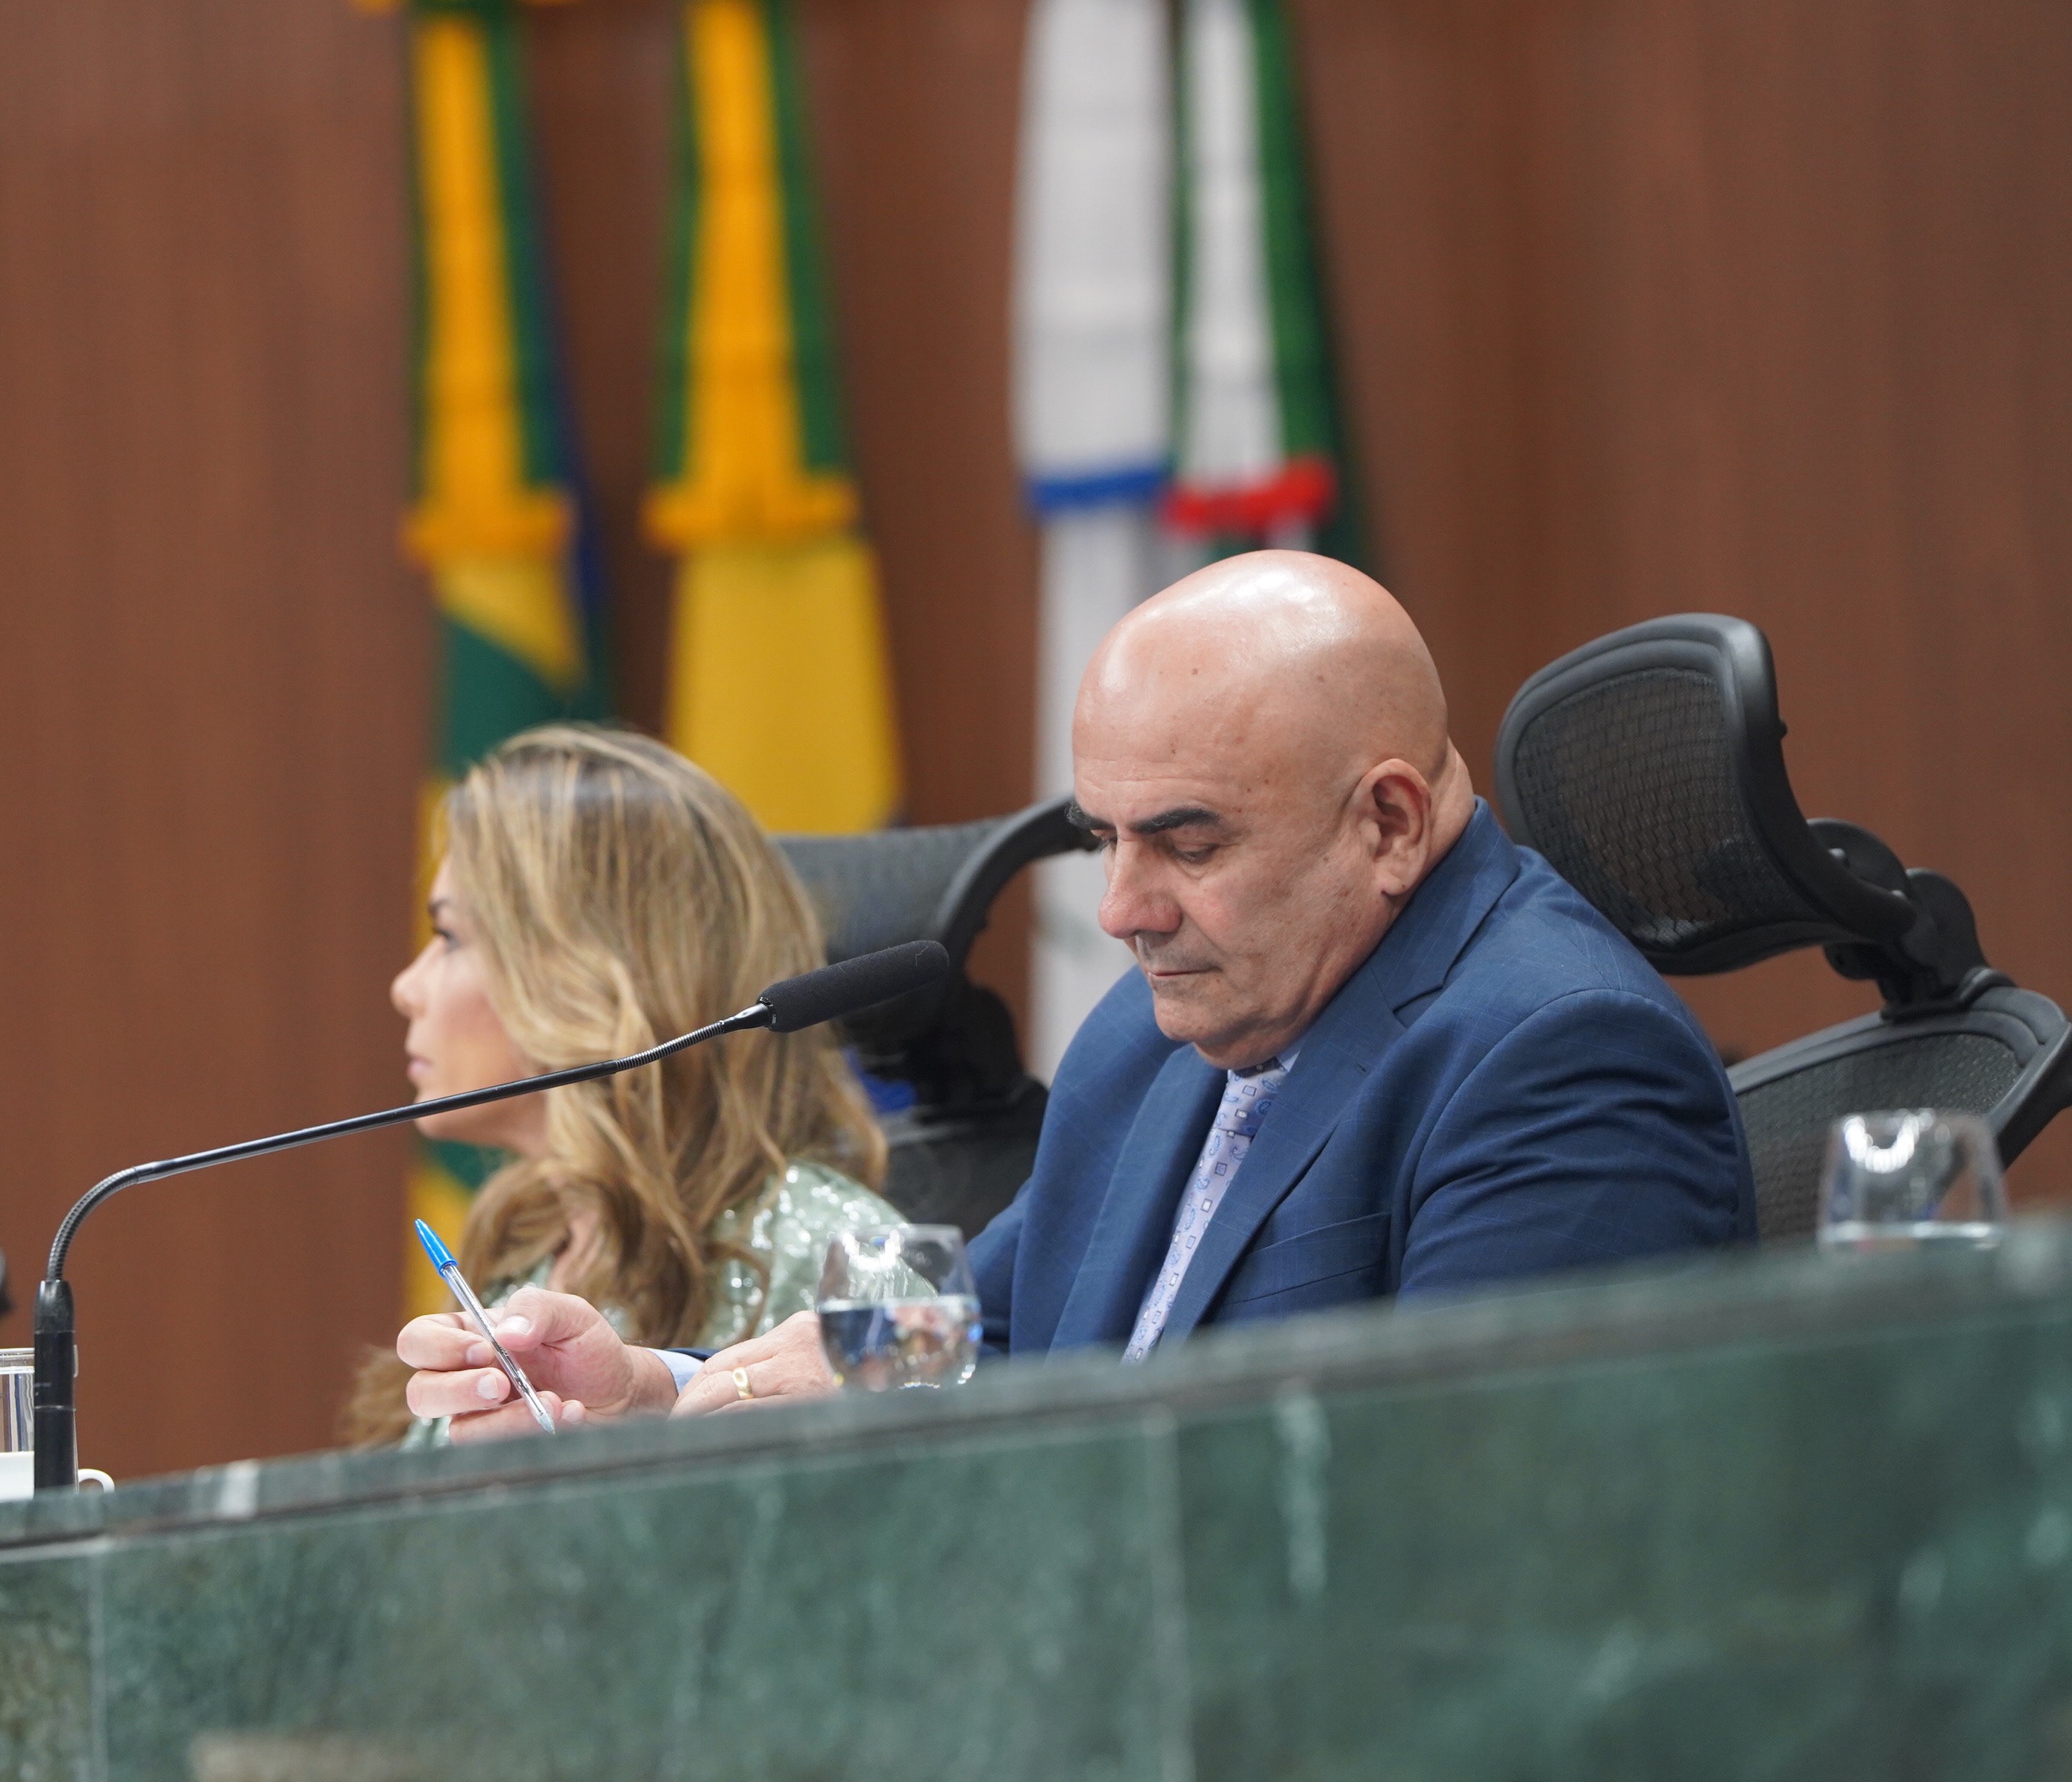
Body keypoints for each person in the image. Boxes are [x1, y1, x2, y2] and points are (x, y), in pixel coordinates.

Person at [400, 553, 1751, 1439]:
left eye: (1187, 843)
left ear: (1387, 823)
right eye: (1105, 839)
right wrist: (665, 1386)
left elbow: (1472, 1538)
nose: (1121, 908)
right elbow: (977, 1332)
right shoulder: (1154, 1032)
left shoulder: (1559, 1060)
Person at [344, 725, 901, 1445]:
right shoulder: (522, 1245)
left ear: (583, 972)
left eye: (449, 938)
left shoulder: (839, 1245)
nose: (405, 987)